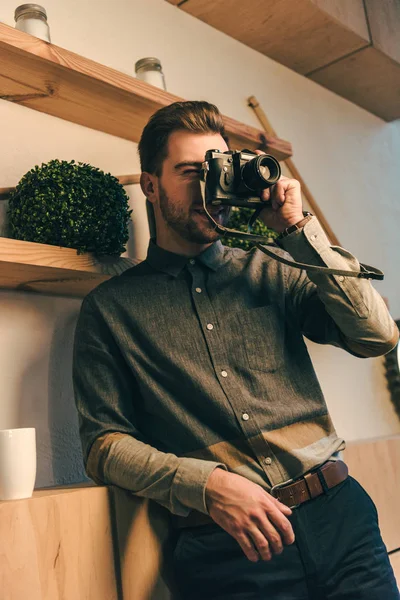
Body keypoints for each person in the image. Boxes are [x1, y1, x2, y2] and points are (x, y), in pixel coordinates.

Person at [73, 100, 399, 599]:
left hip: (341, 520)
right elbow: (104, 445)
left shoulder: (272, 267)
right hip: (228, 547)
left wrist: (297, 232)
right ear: (150, 184)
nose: (208, 188)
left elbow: (377, 336)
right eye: (189, 172)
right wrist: (205, 484)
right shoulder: (109, 309)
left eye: (217, 170)